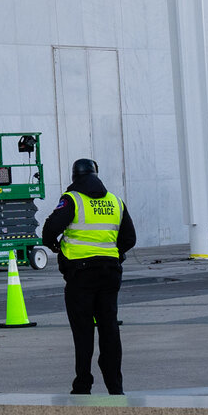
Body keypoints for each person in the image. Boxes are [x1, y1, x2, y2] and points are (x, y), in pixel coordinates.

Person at [41, 158, 136, 396]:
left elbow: (51, 229)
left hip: (80, 274)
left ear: (75, 177)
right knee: (110, 329)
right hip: (110, 273)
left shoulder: (72, 199)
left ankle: (83, 384)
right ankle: (116, 386)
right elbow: (129, 238)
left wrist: (55, 246)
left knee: (83, 332)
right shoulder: (116, 201)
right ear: (96, 174)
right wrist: (114, 253)